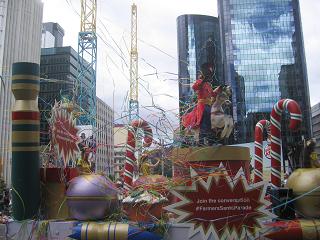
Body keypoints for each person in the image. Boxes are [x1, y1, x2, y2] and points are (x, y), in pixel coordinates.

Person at [182, 64, 221, 145]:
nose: (210, 76)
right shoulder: (200, 81)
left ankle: (211, 142)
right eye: (208, 74)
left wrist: (219, 89)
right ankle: (201, 143)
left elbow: (213, 94)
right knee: (204, 124)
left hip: (209, 107)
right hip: (202, 107)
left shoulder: (208, 85)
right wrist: (202, 80)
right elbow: (194, 87)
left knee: (211, 124)